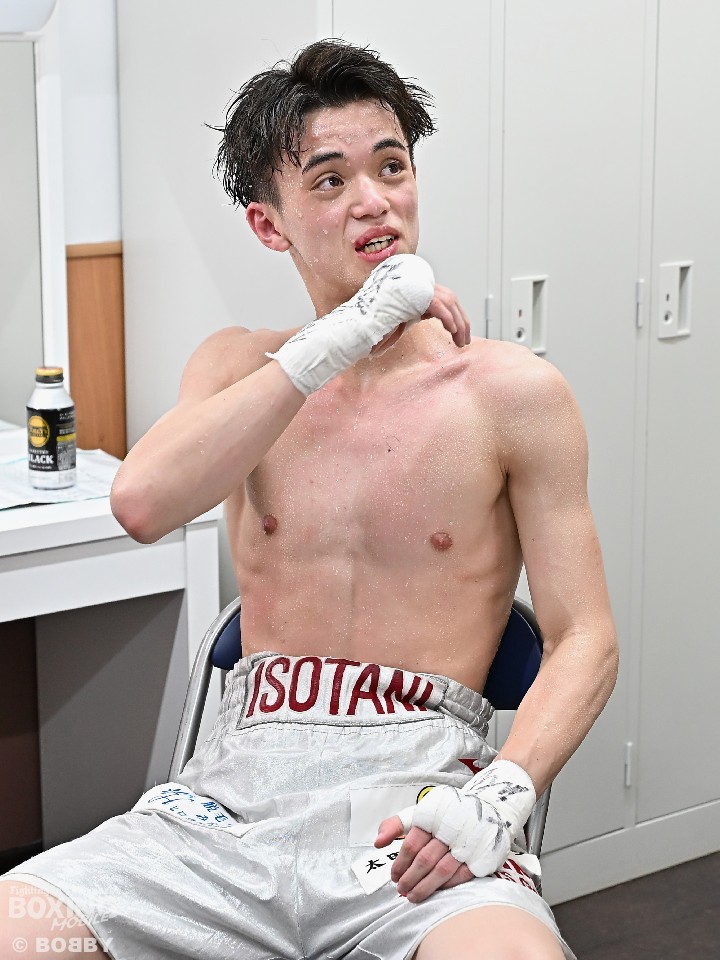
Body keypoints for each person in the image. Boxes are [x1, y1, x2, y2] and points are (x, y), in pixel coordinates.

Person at [0, 39, 618, 960]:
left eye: (391, 167)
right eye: (329, 181)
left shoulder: (512, 393)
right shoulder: (235, 368)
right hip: (228, 808)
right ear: (268, 224)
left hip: (419, 812)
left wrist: (505, 791)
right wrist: (344, 335)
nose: (373, 200)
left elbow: (585, 637)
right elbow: (141, 503)